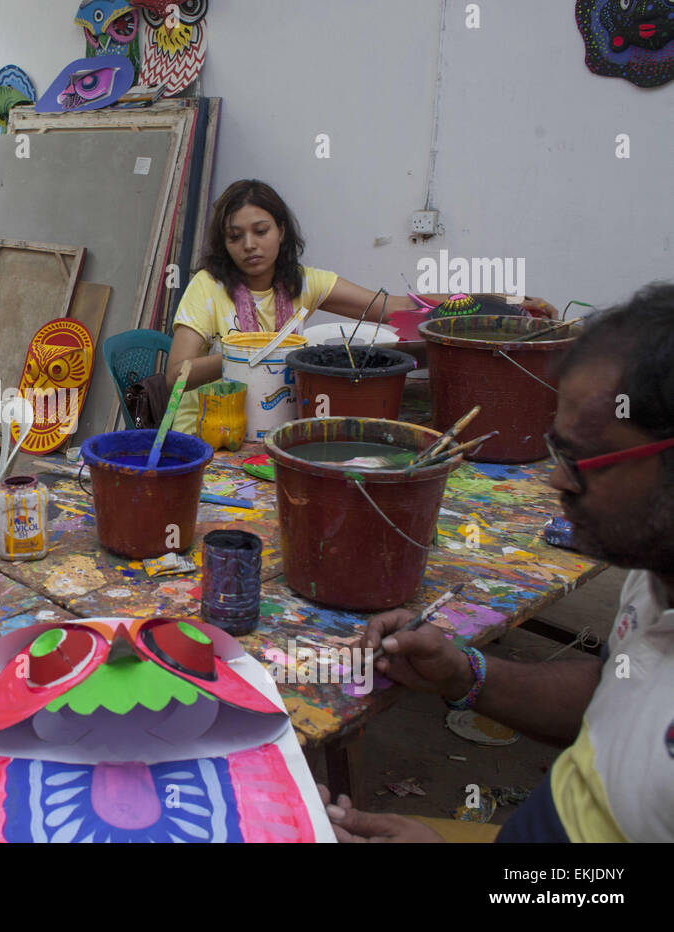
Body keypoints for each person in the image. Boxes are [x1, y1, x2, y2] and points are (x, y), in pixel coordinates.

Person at [325, 282, 674, 843]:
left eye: (583, 458)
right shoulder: (653, 576)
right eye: (556, 449)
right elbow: (618, 691)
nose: (557, 479)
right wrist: (466, 674)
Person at [166, 179, 555, 434]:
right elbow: (175, 376)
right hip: (205, 435)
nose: (249, 245)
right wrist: (249, 352)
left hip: (273, 429)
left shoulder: (305, 283)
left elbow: (400, 307)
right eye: (235, 237)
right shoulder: (208, 287)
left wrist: (507, 302)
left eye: (260, 231)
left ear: (282, 232)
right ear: (225, 244)